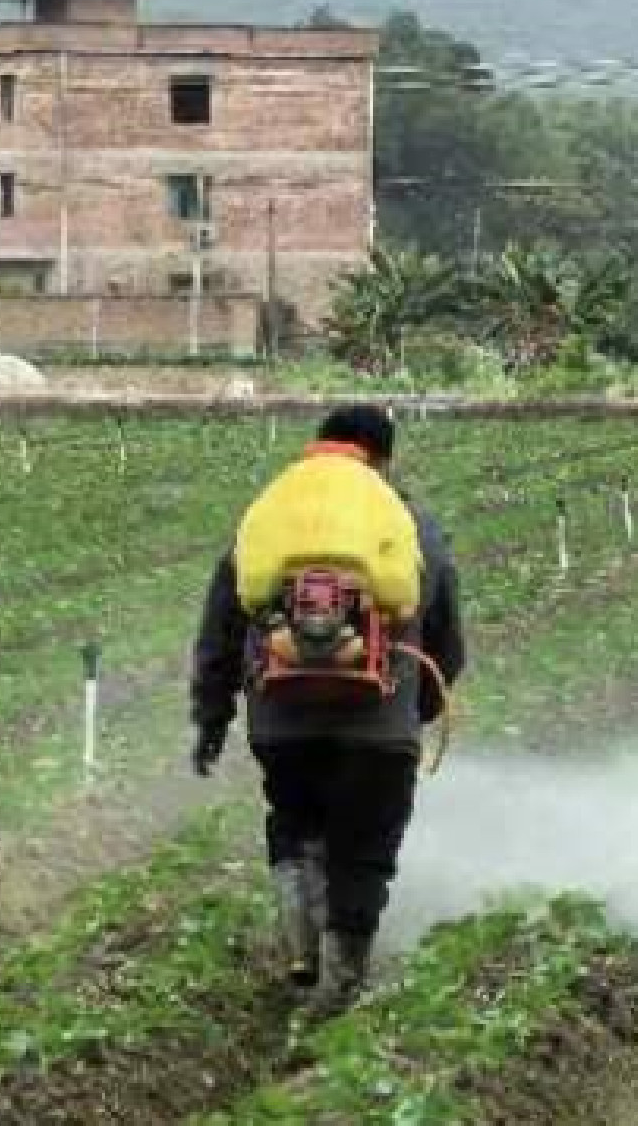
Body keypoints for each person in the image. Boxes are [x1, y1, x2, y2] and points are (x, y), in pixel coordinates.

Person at [191, 404, 466, 1006]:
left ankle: (299, 945)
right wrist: (416, 706)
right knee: (365, 845)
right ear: (383, 457)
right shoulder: (410, 520)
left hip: (280, 718)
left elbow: (222, 626)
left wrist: (212, 716)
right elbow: (443, 628)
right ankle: (342, 985)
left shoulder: (269, 514)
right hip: (380, 725)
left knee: (296, 822)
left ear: (319, 447)